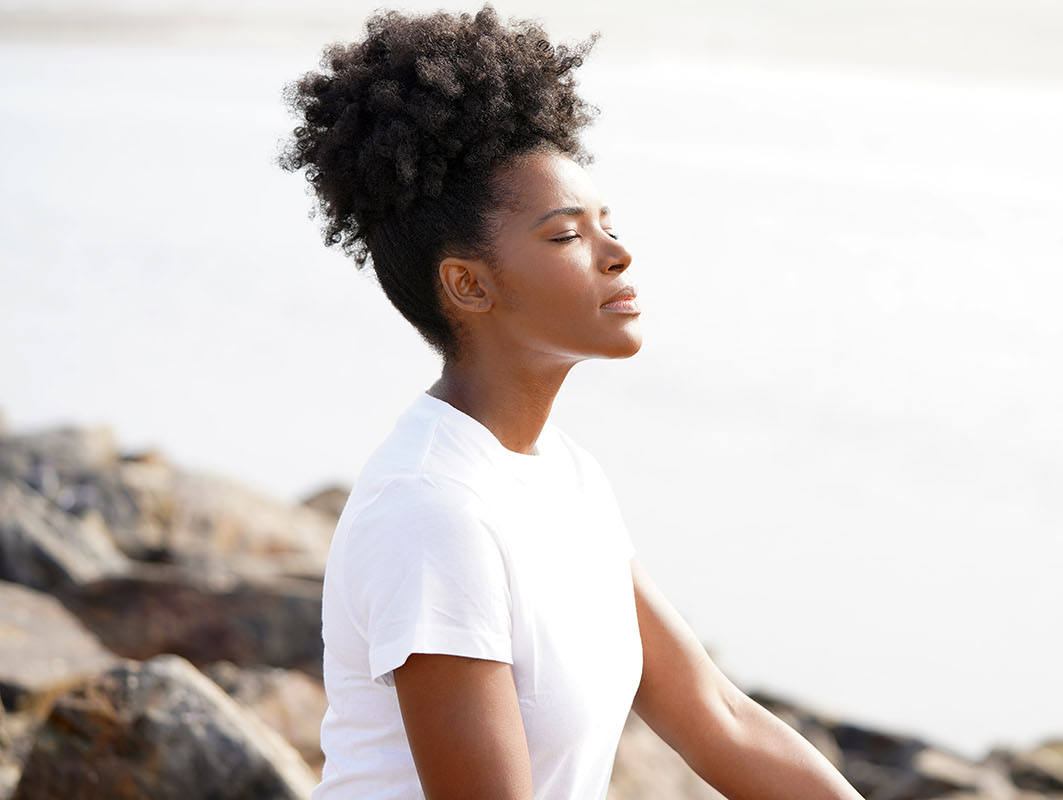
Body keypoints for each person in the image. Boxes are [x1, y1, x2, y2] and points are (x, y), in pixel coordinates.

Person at [280, 6, 865, 799]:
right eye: (566, 237)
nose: (618, 253)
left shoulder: (564, 475)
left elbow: (718, 716)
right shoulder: (431, 511)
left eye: (608, 225)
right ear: (469, 284)